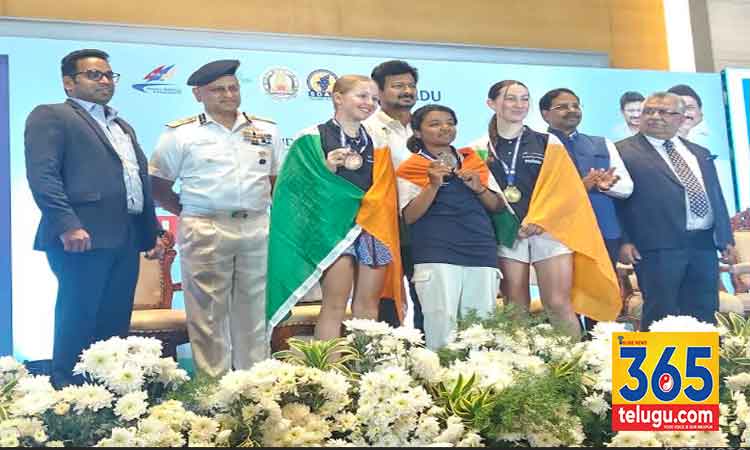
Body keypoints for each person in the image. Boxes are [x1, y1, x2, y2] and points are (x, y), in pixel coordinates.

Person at [24, 48, 163, 388]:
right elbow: (43, 176)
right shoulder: (51, 115)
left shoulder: (121, 125)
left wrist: (152, 231)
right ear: (69, 83)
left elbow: (136, 181)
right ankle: (68, 393)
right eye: (94, 74)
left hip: (126, 235)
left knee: (114, 322)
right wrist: (67, 224)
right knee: (78, 317)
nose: (104, 81)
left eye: (109, 75)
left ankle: (108, 393)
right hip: (81, 236)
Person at [149, 59, 283, 378]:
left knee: (255, 312)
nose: (228, 95)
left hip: (256, 225)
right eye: (218, 90)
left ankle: (255, 385)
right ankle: (213, 390)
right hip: (205, 225)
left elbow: (276, 181)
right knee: (207, 314)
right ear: (199, 94)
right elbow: (157, 185)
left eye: (233, 88)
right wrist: (191, 211)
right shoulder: (181, 133)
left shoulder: (266, 130)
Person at [467, 80, 621, 339]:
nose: (519, 105)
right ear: (491, 103)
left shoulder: (548, 142)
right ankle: (520, 361)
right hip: (508, 231)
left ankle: (573, 359)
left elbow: (565, 187)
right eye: (511, 98)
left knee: (558, 303)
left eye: (524, 99)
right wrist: (510, 223)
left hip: (549, 229)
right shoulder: (477, 149)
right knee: (515, 307)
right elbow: (482, 192)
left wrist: (540, 219)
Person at [266, 75, 403, 342]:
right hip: (332, 231)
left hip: (371, 226)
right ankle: (328, 367)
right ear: (338, 97)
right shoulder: (312, 137)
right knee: (334, 306)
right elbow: (294, 189)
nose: (369, 103)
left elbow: (385, 187)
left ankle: (365, 365)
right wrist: (326, 168)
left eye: (374, 99)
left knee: (368, 306)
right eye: (362, 96)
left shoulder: (378, 139)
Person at [616, 92, 736, 330]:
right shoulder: (622, 151)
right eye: (649, 111)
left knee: (704, 311)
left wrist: (725, 239)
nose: (654, 116)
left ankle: (701, 356)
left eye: (664, 112)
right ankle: (659, 357)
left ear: (682, 118)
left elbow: (715, 195)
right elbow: (613, 201)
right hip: (656, 246)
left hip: (703, 245)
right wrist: (623, 240)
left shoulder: (699, 152)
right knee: (661, 311)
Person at [396, 104, 505, 350]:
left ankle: (480, 375)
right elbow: (409, 216)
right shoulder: (411, 167)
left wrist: (479, 188)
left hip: (480, 250)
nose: (445, 128)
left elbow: (497, 205)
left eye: (450, 122)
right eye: (435, 124)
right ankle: (440, 376)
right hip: (437, 253)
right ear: (418, 132)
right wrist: (432, 185)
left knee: (480, 330)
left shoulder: (472, 160)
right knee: (441, 330)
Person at [539, 88, 633, 266]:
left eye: (575, 106)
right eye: (562, 107)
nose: (572, 110)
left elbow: (626, 188)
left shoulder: (601, 143)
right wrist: (581, 186)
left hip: (603, 231)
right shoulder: (537, 145)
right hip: (557, 234)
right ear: (545, 114)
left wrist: (604, 186)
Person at [364, 60, 423, 331]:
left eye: (411, 85)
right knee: (384, 297)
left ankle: (427, 351)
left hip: (422, 221)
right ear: (378, 91)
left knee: (426, 292)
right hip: (382, 223)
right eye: (398, 86)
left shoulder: (426, 127)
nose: (407, 91)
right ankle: (390, 352)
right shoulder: (367, 129)